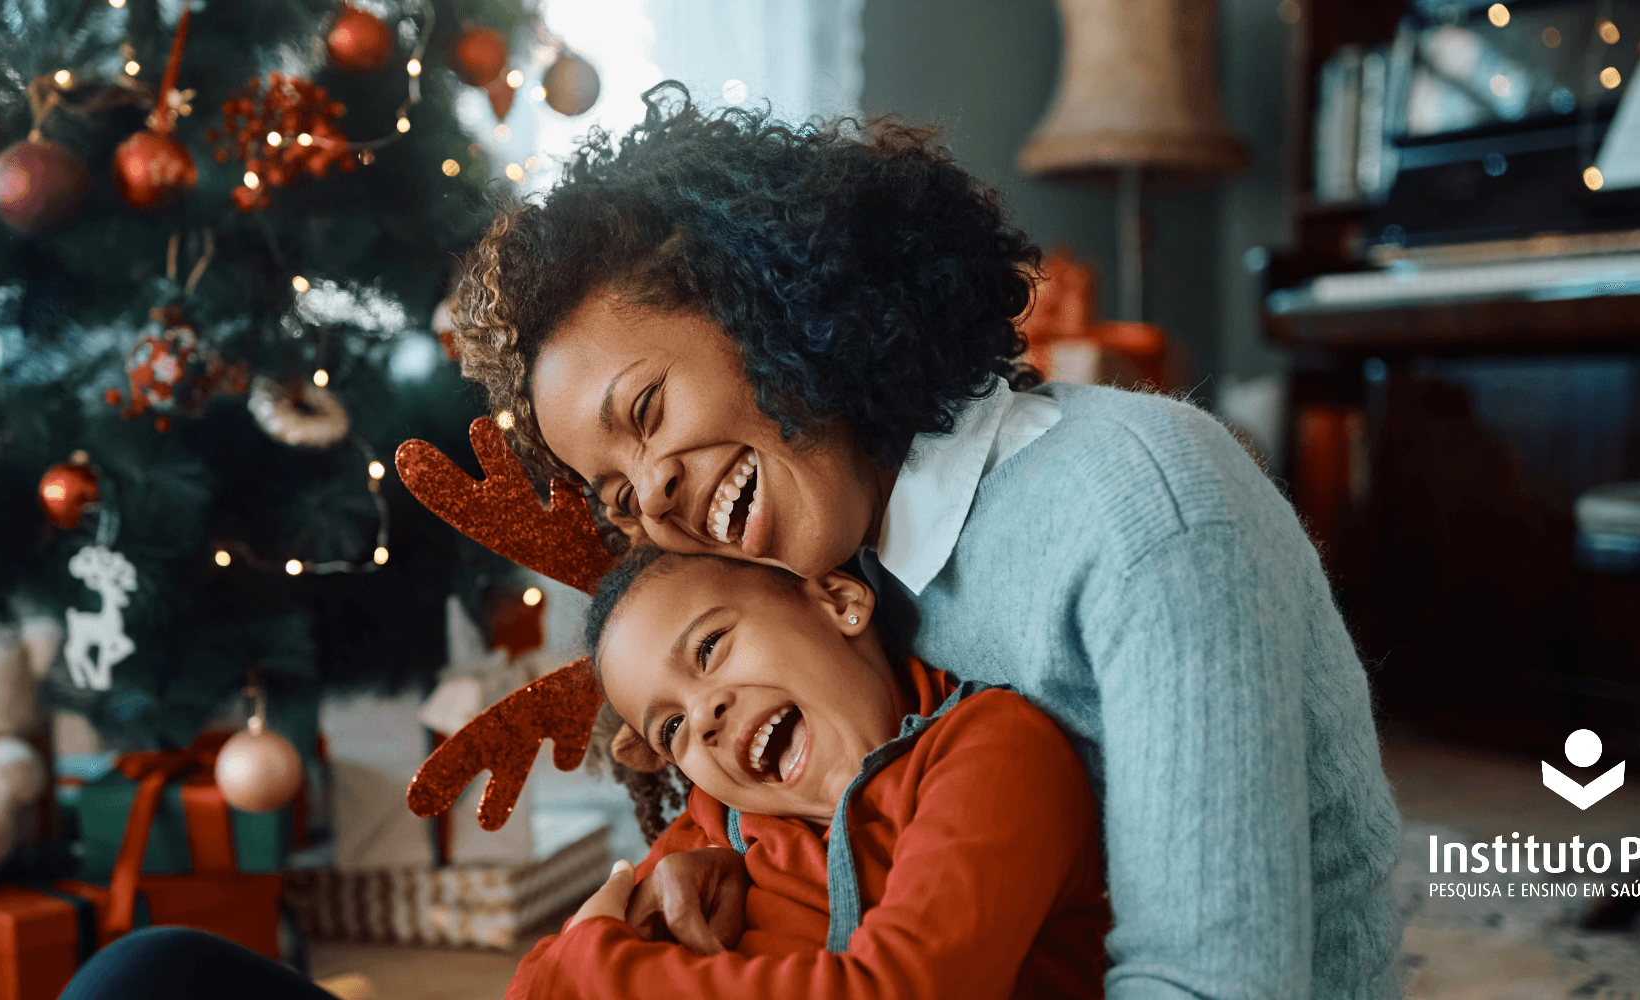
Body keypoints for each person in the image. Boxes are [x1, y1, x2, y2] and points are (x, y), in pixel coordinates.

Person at [453, 83, 1403, 1000]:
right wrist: (702, 854)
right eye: (616, 492)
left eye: (649, 409)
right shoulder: (836, 560)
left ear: (761, 301)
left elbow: (1214, 985)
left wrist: (598, 969)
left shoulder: (1141, 513)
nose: (654, 491)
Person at [515, 544, 1108, 998]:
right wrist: (643, 901)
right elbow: (533, 982)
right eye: (671, 730)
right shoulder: (719, 833)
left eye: (709, 648)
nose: (702, 715)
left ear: (839, 600)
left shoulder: (993, 750)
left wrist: (597, 961)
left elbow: (905, 987)